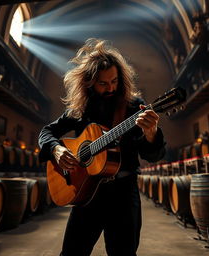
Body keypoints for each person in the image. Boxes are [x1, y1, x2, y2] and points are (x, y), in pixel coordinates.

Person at [38, 38, 166, 256]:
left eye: (115, 81)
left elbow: (153, 155)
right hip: (86, 192)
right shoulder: (81, 108)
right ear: (89, 83)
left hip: (123, 194)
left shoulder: (134, 107)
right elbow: (46, 132)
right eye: (103, 84)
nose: (111, 88)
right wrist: (57, 150)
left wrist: (151, 133)